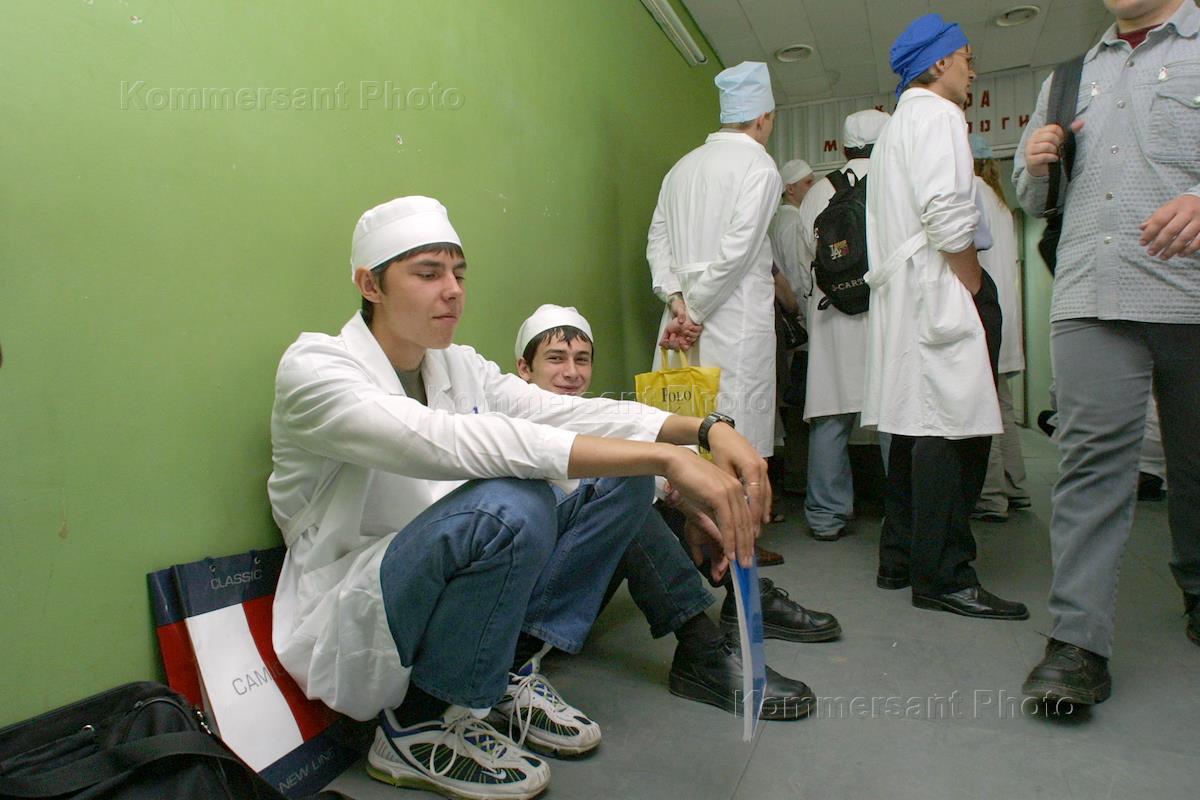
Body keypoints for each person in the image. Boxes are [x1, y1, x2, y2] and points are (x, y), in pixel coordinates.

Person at [269, 196, 773, 798]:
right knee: (513, 504)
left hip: (447, 581)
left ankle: (506, 667)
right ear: (369, 285)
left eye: (459, 274)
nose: (453, 290)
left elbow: (562, 412)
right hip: (362, 595)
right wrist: (668, 458)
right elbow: (451, 442)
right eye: (428, 273)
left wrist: (703, 430)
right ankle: (416, 723)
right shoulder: (317, 369)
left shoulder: (457, 367)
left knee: (624, 481)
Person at [512, 304, 839, 720]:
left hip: (571, 590)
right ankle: (701, 649)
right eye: (556, 359)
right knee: (628, 494)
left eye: (582, 359)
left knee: (657, 493)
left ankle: (745, 597)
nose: (572, 373)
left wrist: (688, 507)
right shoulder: (508, 424)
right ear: (524, 369)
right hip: (527, 615)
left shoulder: (588, 417)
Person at [1015, 0, 1200, 706]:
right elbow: (1034, 198)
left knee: (1195, 466)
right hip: (1093, 294)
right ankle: (1077, 642)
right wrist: (1036, 165)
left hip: (1191, 297)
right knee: (1090, 468)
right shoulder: (1068, 78)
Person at [862, 13, 1028, 621]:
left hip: (907, 294)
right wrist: (975, 285)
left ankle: (900, 558)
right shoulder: (939, 115)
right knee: (953, 436)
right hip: (939, 285)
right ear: (939, 63)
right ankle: (945, 576)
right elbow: (947, 214)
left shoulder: (896, 129)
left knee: (914, 429)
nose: (972, 71)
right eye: (966, 58)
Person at [647, 61, 781, 461]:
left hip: (679, 318)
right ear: (762, 117)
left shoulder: (680, 169)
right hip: (732, 316)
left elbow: (657, 242)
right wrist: (697, 313)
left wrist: (677, 302)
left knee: (686, 434)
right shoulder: (760, 166)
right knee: (737, 435)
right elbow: (739, 249)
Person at [794, 109, 892, 542]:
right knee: (892, 416)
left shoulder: (818, 191)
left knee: (830, 418)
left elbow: (806, 259)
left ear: (846, 146)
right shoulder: (894, 180)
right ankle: (902, 511)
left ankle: (826, 515)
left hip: (832, 314)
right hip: (884, 312)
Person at [969, 134, 1031, 523]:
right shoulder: (999, 200)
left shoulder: (971, 191)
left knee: (983, 409)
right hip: (1006, 318)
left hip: (984, 316)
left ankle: (990, 497)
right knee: (1003, 406)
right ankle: (1015, 487)